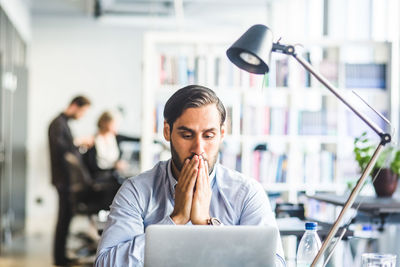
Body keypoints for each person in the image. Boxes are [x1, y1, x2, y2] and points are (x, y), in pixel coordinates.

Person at [94, 85, 285, 266]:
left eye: (209, 136)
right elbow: (105, 264)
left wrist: (206, 224)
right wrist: (174, 220)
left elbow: (274, 264)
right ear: (167, 131)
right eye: (187, 135)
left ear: (222, 134)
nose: (198, 149)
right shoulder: (136, 190)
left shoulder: (247, 193)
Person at [48, 95, 92, 266]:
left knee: (66, 218)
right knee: (63, 219)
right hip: (63, 180)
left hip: (66, 180)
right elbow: (61, 150)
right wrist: (78, 142)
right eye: (82, 111)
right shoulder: (58, 124)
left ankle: (62, 257)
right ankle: (59, 259)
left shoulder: (63, 124)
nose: (81, 116)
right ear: (74, 106)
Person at [83, 110, 140, 206]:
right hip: (100, 179)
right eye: (115, 123)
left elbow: (138, 139)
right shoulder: (93, 140)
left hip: (114, 176)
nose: (117, 126)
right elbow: (91, 165)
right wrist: (114, 165)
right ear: (107, 123)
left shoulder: (117, 138)